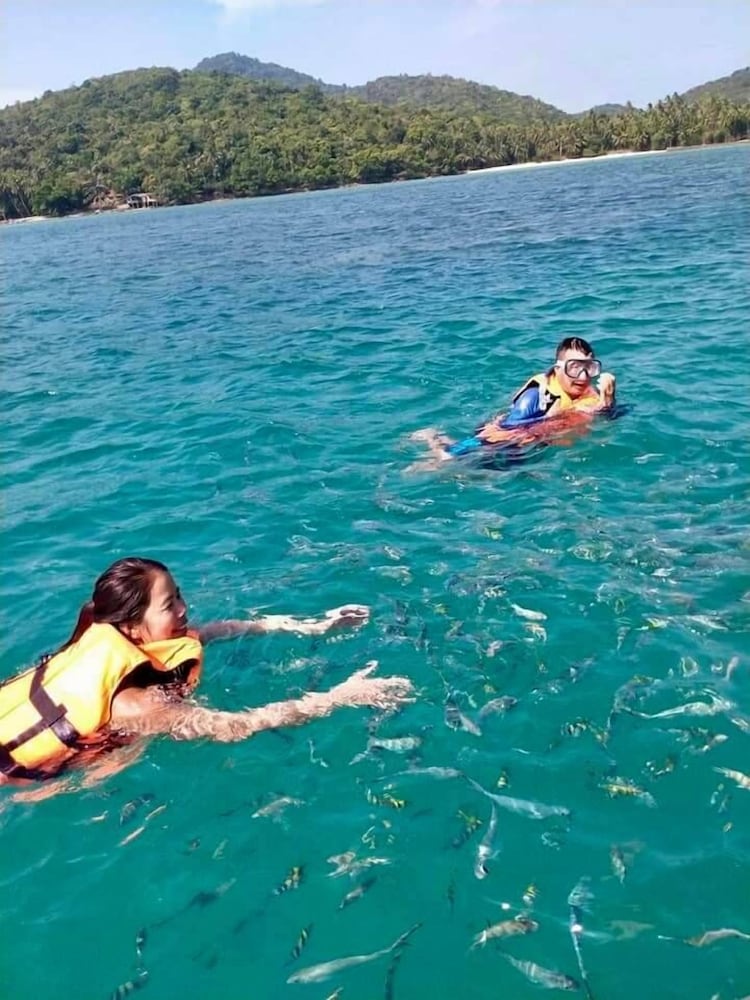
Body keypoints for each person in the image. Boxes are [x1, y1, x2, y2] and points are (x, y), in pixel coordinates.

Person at [0, 557, 414, 782]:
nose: (185, 609)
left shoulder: (132, 641)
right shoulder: (136, 703)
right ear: (131, 626)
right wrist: (341, 698)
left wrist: (310, 625)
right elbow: (236, 726)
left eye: (179, 595)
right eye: (170, 605)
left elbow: (216, 631)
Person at [410, 336, 616, 468]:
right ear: (558, 368)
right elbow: (500, 433)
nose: (583, 376)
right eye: (574, 367)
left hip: (537, 441)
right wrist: (451, 455)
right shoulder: (536, 397)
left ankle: (441, 439)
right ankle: (435, 441)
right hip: (506, 438)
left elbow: (607, 420)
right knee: (468, 470)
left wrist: (608, 402)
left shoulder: (587, 393)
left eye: (589, 367)